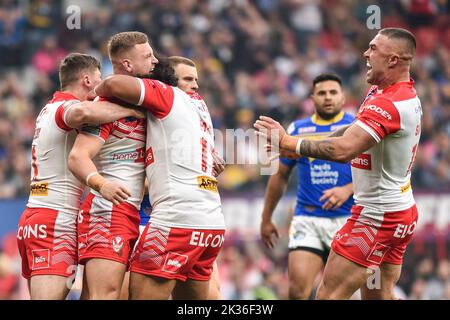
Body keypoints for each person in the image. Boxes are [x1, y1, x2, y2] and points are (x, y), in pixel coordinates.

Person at [255, 28, 421, 300]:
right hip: (399, 213)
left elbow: (344, 149)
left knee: (328, 296)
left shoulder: (389, 104)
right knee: (378, 296)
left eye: (373, 48)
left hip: (375, 218)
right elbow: (349, 132)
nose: (366, 53)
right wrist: (298, 146)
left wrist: (288, 143)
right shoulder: (391, 93)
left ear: (393, 59)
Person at [93, 56, 226, 300]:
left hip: (175, 219)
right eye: (188, 79)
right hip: (211, 222)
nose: (195, 86)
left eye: (196, 80)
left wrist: (96, 90)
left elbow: (111, 85)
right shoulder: (200, 107)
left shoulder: (169, 95)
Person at [16, 52, 144, 300]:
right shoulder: (66, 106)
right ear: (87, 80)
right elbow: (81, 114)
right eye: (99, 78)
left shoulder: (47, 109)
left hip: (39, 215)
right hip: (55, 219)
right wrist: (130, 111)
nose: (102, 85)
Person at [68, 32, 158, 300]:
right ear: (128, 65)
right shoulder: (106, 106)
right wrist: (101, 184)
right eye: (148, 56)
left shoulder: (152, 102)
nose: (155, 61)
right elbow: (77, 156)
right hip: (109, 211)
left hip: (138, 212)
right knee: (104, 295)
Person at [260, 73, 354, 300]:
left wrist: (348, 189)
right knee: (296, 292)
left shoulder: (356, 126)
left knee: (344, 294)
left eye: (333, 92)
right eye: (322, 93)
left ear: (343, 97)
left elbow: (376, 172)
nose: (328, 97)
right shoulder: (296, 130)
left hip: (349, 219)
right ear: (312, 98)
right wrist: (266, 218)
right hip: (307, 219)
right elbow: (279, 176)